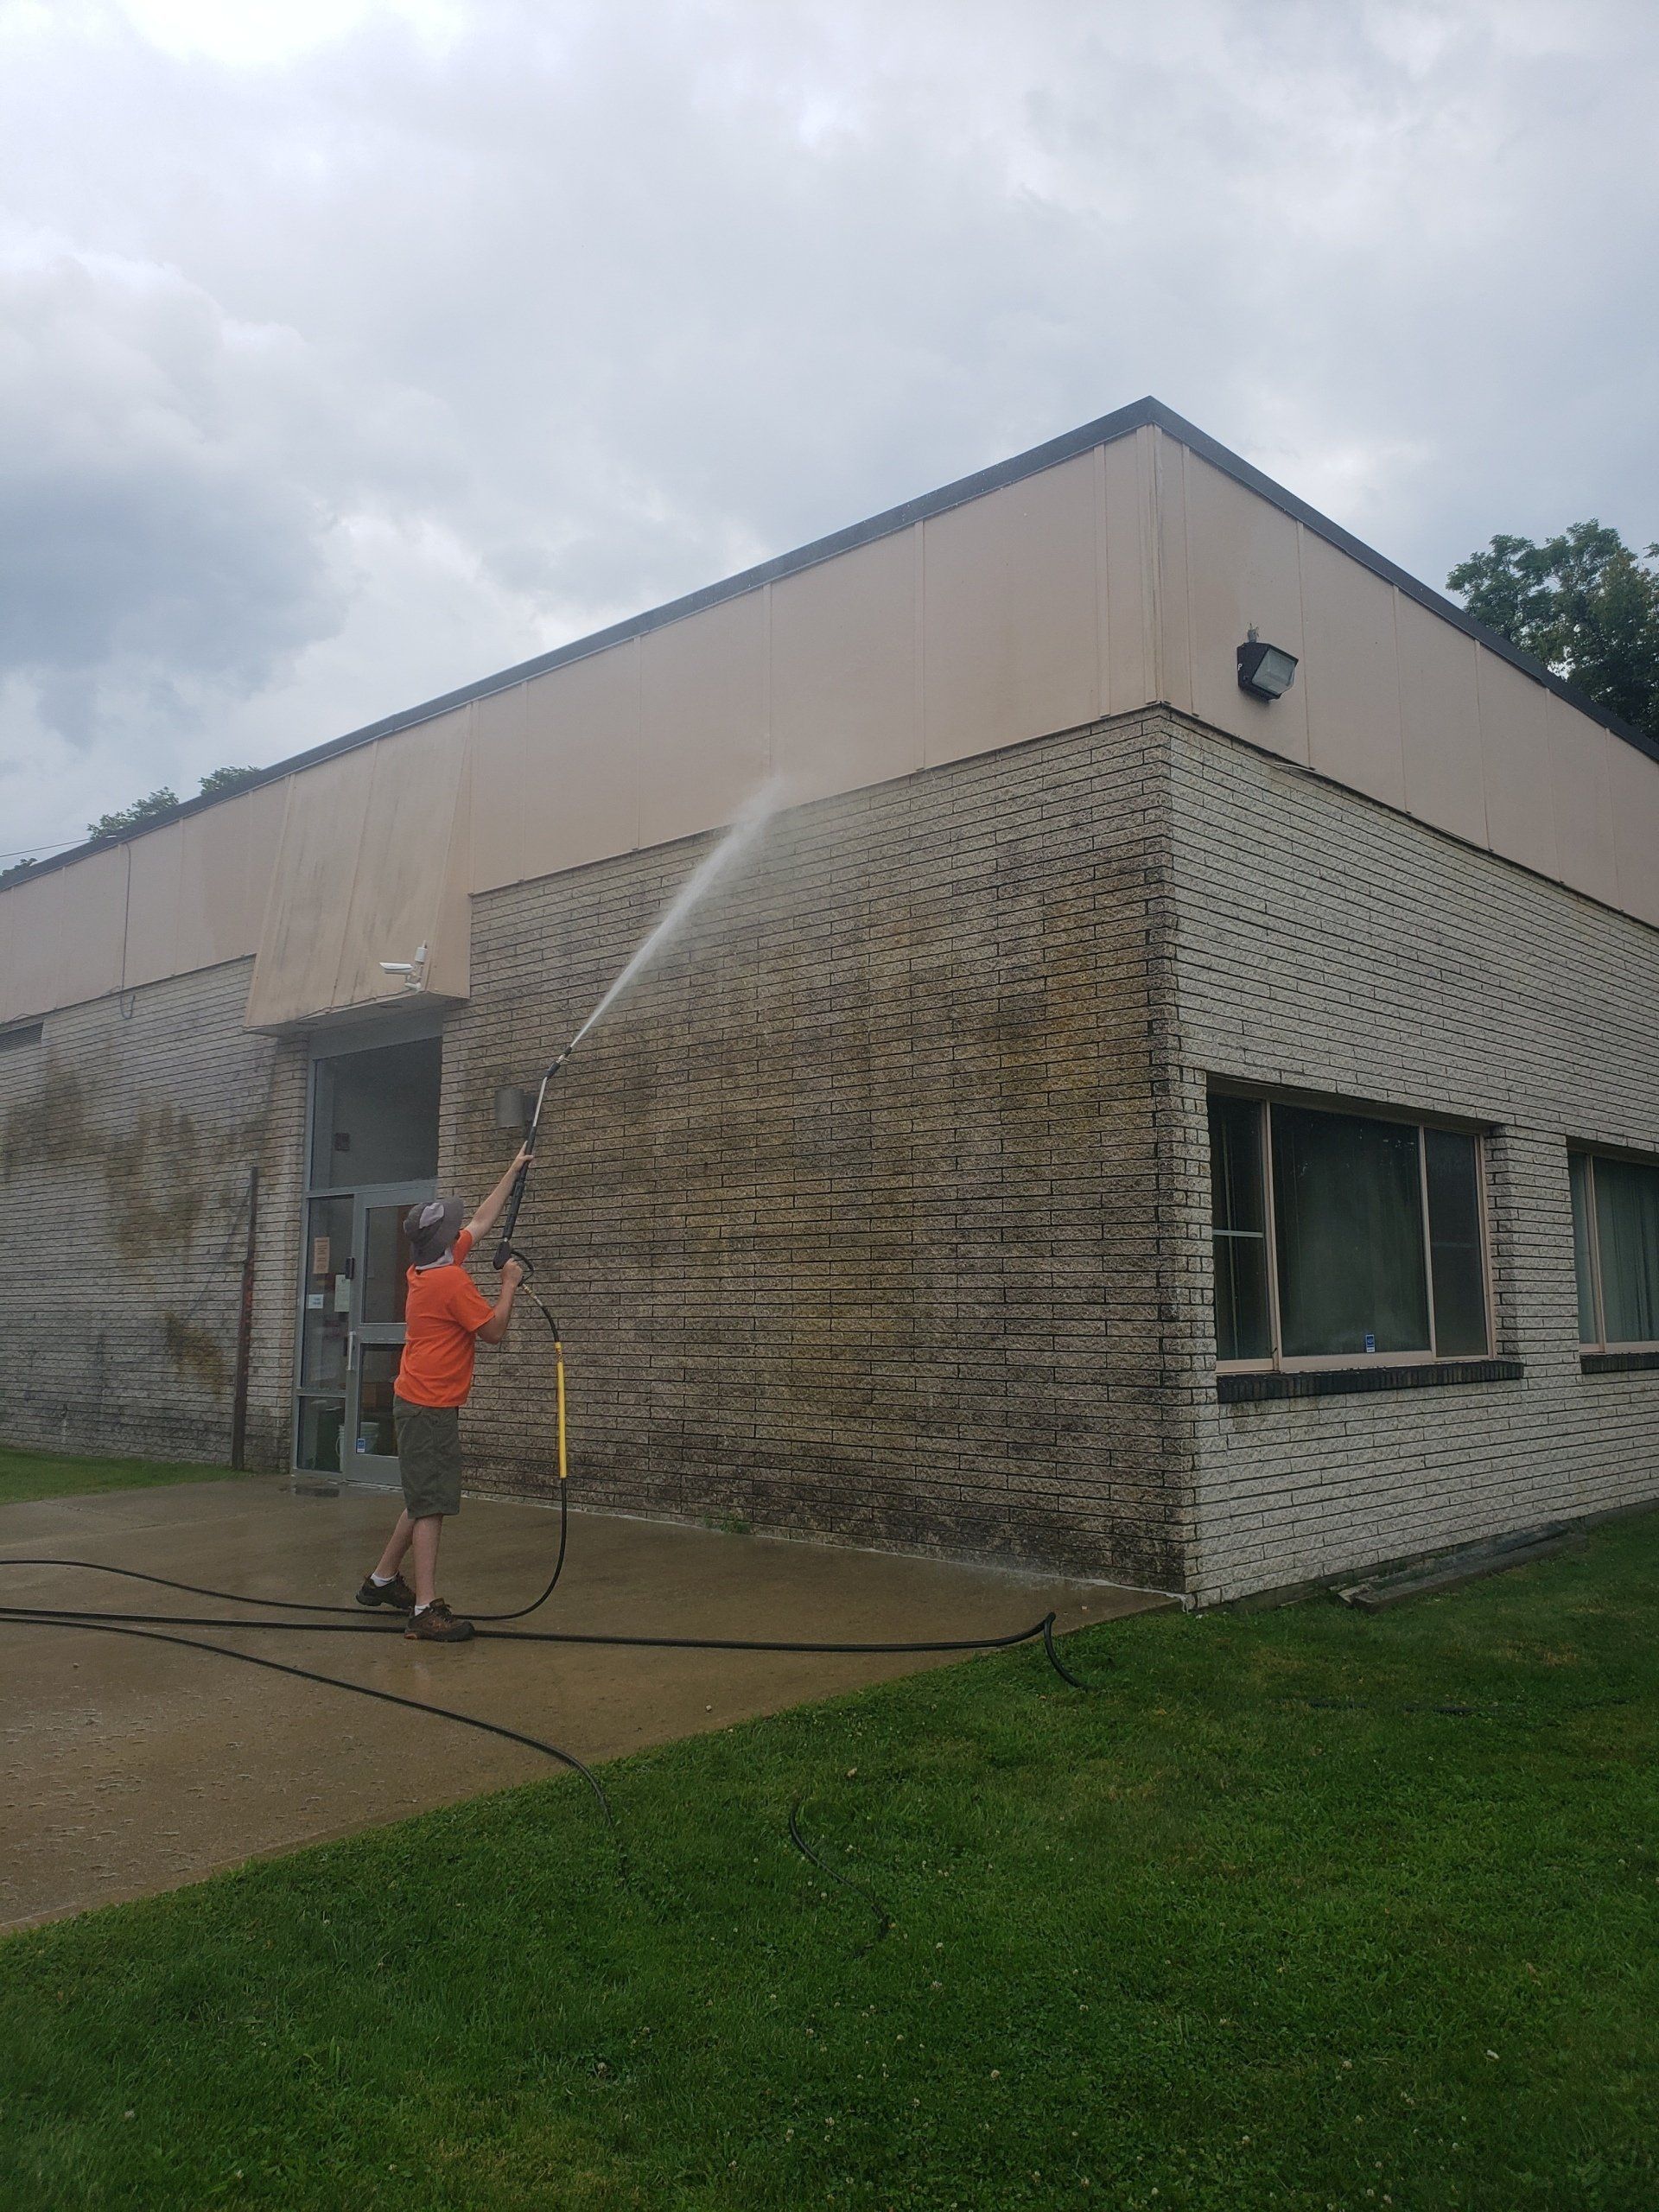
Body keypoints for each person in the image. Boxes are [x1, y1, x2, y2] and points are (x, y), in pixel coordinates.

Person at [355, 1143, 533, 1643]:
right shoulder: (450, 1282)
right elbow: (494, 1332)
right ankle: (425, 1613)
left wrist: (512, 1169)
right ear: (442, 1242)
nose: (462, 1231)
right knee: (431, 1504)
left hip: (416, 1399)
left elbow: (479, 1220)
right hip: (430, 1406)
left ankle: (381, 1581)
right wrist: (510, 1283)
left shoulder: (425, 1267)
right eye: (451, 1229)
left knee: (420, 1495)